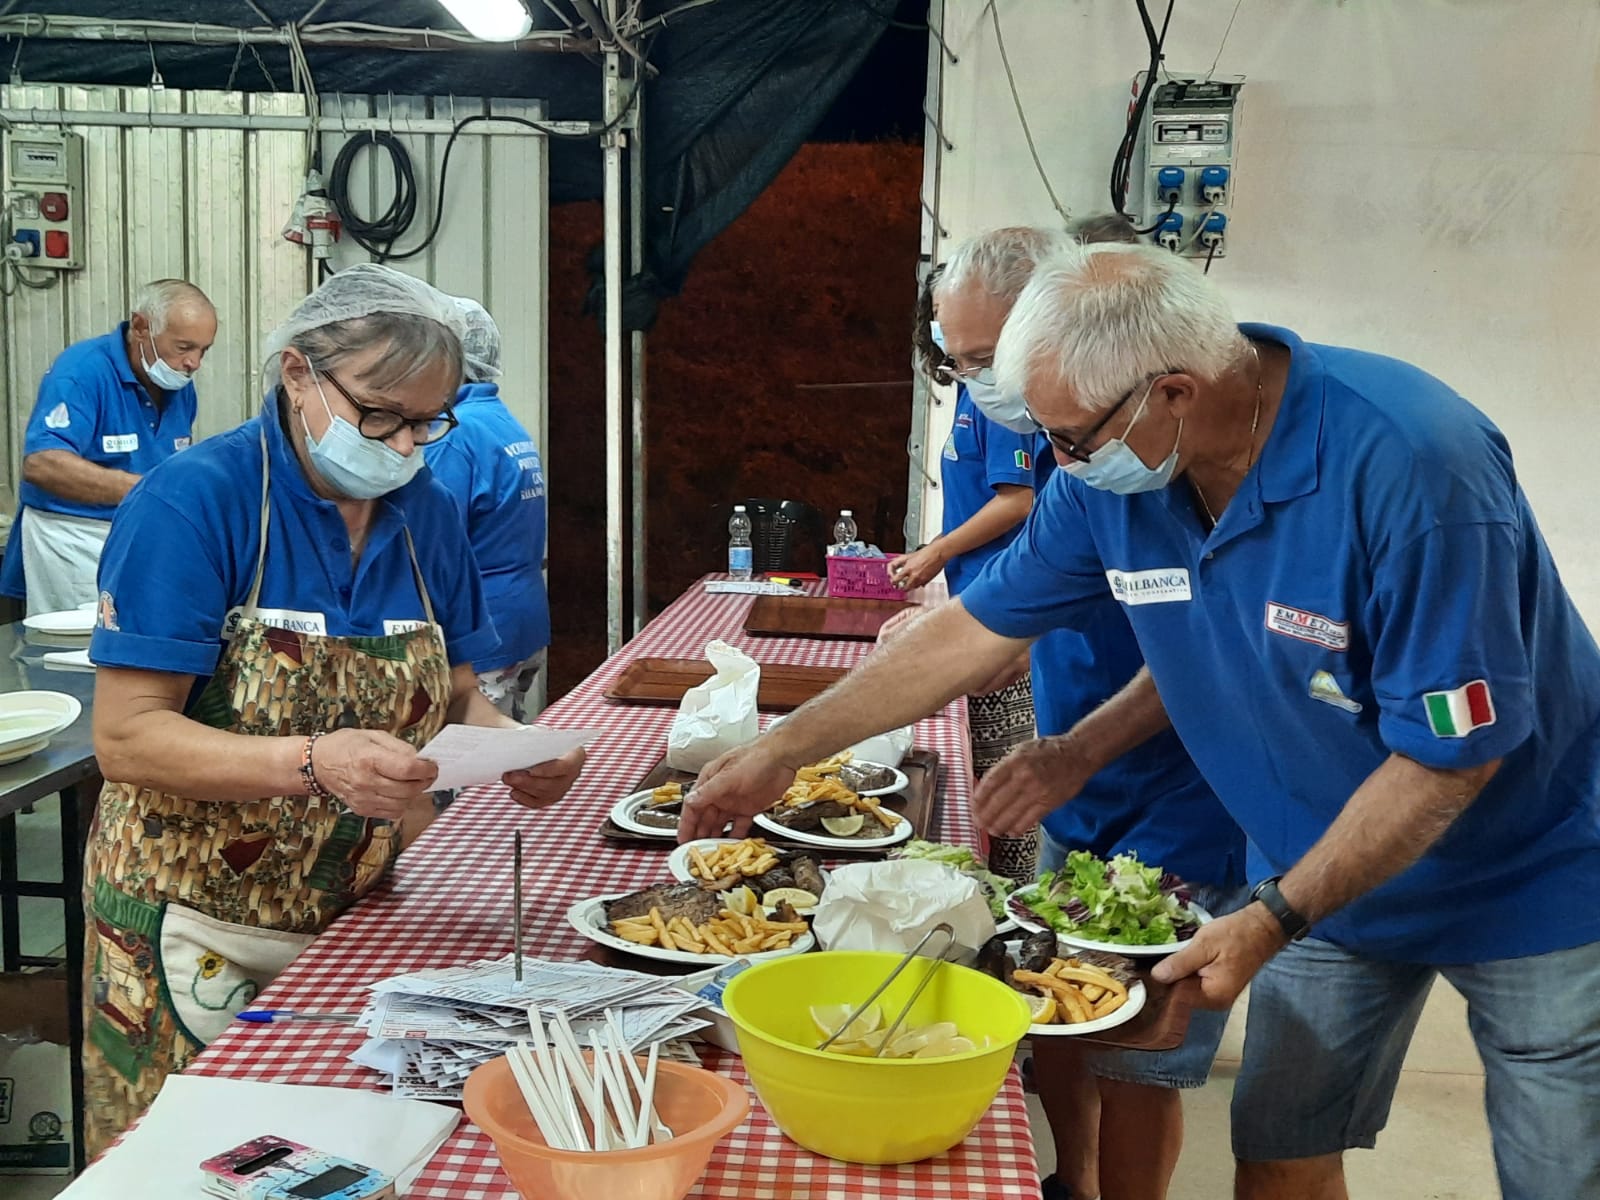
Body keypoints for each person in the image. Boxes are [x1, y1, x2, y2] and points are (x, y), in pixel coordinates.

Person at [680, 239, 1600, 1200]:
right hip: (1319, 866)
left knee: (1559, 1171)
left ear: (1174, 392)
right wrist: (781, 750)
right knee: (1281, 1150)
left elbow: (1451, 759)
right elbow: (974, 635)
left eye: (1074, 439)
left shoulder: (1413, 467)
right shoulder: (1116, 484)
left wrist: (1272, 915)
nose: (1063, 465)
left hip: (1531, 876)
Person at [80, 264, 585, 1154]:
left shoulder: (423, 512)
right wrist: (312, 763)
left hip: (354, 922)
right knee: (191, 1163)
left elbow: (458, 694)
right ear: (298, 375)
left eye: (429, 421)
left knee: (347, 1159)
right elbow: (127, 736)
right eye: (381, 415)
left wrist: (518, 750)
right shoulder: (196, 502)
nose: (401, 444)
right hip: (191, 926)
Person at [900, 223, 1249, 1200]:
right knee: (1046, 1004)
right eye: (961, 360)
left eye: (986, 358)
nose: (980, 381)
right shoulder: (1076, 464)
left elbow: (1212, 662)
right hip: (1077, 771)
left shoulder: (1157, 456)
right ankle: (1070, 1178)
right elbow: (1010, 611)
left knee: (1141, 1050)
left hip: (1182, 796)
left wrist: (1082, 743)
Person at [887, 259, 1051, 879]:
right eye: (934, 322)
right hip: (980, 603)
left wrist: (938, 551)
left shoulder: (1000, 398)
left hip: (1007, 615)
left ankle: (1009, 889)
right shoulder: (967, 386)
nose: (938, 332)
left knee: (1007, 779)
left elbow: (1017, 498)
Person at [0, 279, 216, 614]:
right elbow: (42, 464)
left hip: (137, 536)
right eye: (184, 347)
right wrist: (147, 490)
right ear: (141, 327)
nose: (194, 363)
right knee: (81, 655)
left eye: (204, 350)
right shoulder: (82, 373)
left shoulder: (177, 385)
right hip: (73, 542)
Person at [423, 298, 549, 722]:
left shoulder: (454, 434)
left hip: (482, 634)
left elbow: (433, 545)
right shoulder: (500, 420)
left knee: (468, 777)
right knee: (504, 763)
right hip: (522, 617)